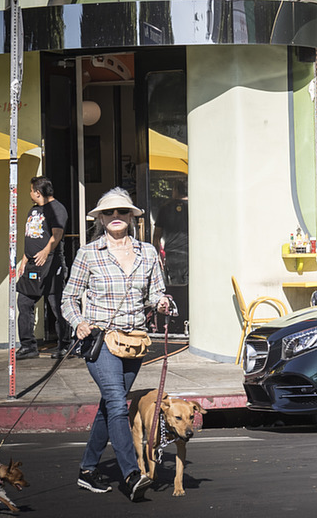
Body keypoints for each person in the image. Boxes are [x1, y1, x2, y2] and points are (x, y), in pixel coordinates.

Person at [62, 187, 170, 502]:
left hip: (134, 341)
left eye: (122, 212)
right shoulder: (88, 253)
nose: (116, 217)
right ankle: (131, 474)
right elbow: (69, 296)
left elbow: (156, 293)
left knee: (109, 407)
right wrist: (78, 322)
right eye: (109, 213)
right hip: (100, 339)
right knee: (116, 402)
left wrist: (162, 303)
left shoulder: (148, 252)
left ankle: (87, 469)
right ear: (101, 219)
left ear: (131, 217)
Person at [16, 176, 70, 360]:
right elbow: (32, 236)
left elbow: (57, 234)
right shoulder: (34, 210)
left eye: (31, 190)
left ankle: (65, 345)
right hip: (32, 264)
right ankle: (28, 346)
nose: (29, 193)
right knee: (24, 302)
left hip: (50, 263)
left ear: (37, 192)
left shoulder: (57, 209)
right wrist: (24, 259)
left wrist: (47, 251)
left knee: (55, 304)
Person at [152, 179, 188, 286]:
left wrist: (157, 255)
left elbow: (157, 235)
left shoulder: (165, 208)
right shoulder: (194, 207)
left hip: (172, 253)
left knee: (174, 287)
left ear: (176, 190)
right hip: (190, 253)